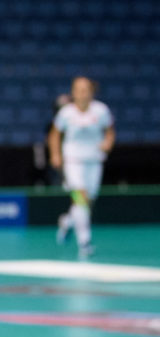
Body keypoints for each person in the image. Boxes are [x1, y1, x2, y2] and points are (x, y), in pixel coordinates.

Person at [49, 76, 115, 259]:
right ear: (73, 92)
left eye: (85, 90)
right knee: (81, 197)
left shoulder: (101, 110)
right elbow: (54, 135)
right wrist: (55, 154)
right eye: (78, 90)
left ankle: (67, 221)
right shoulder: (66, 113)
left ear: (91, 92)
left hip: (94, 161)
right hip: (73, 161)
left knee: (87, 202)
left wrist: (107, 143)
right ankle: (85, 242)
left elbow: (109, 131)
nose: (82, 94)